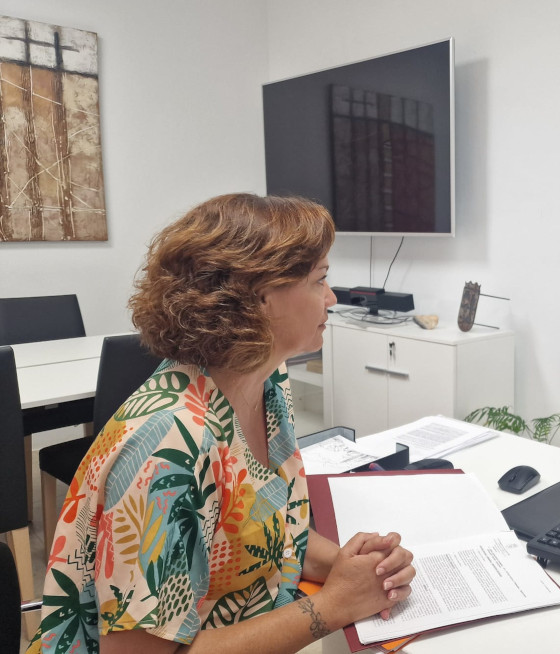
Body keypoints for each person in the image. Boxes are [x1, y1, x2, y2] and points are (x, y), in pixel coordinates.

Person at [27, 194, 415, 653]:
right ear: (261, 297)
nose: (331, 298)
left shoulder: (267, 381)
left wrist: (357, 569)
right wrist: (333, 606)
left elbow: (267, 526)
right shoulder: (168, 449)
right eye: (320, 280)